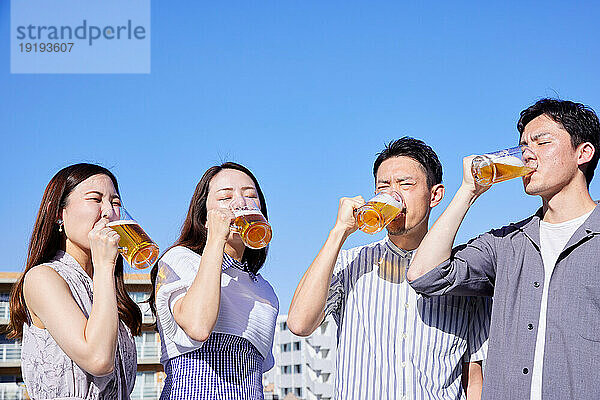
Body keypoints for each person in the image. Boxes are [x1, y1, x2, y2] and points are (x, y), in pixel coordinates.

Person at [407, 98, 600, 399]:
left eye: (542, 142)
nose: (527, 154)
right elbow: (424, 275)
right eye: (523, 145)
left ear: (583, 153)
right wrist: (467, 192)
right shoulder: (505, 243)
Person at [288, 137, 491, 400]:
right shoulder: (350, 262)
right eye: (383, 186)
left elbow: (474, 379)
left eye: (406, 184)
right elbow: (299, 323)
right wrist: (339, 231)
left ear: (435, 195)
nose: (393, 193)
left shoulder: (462, 273)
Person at [7, 163, 141, 399]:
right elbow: (98, 359)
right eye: (95, 199)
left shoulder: (105, 285)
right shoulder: (43, 278)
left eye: (115, 202)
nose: (108, 211)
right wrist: (104, 265)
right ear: (59, 213)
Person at [149, 162, 278, 400]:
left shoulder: (265, 290)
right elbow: (198, 326)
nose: (240, 203)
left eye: (250, 196)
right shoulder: (180, 259)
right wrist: (216, 240)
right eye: (225, 197)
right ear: (204, 218)